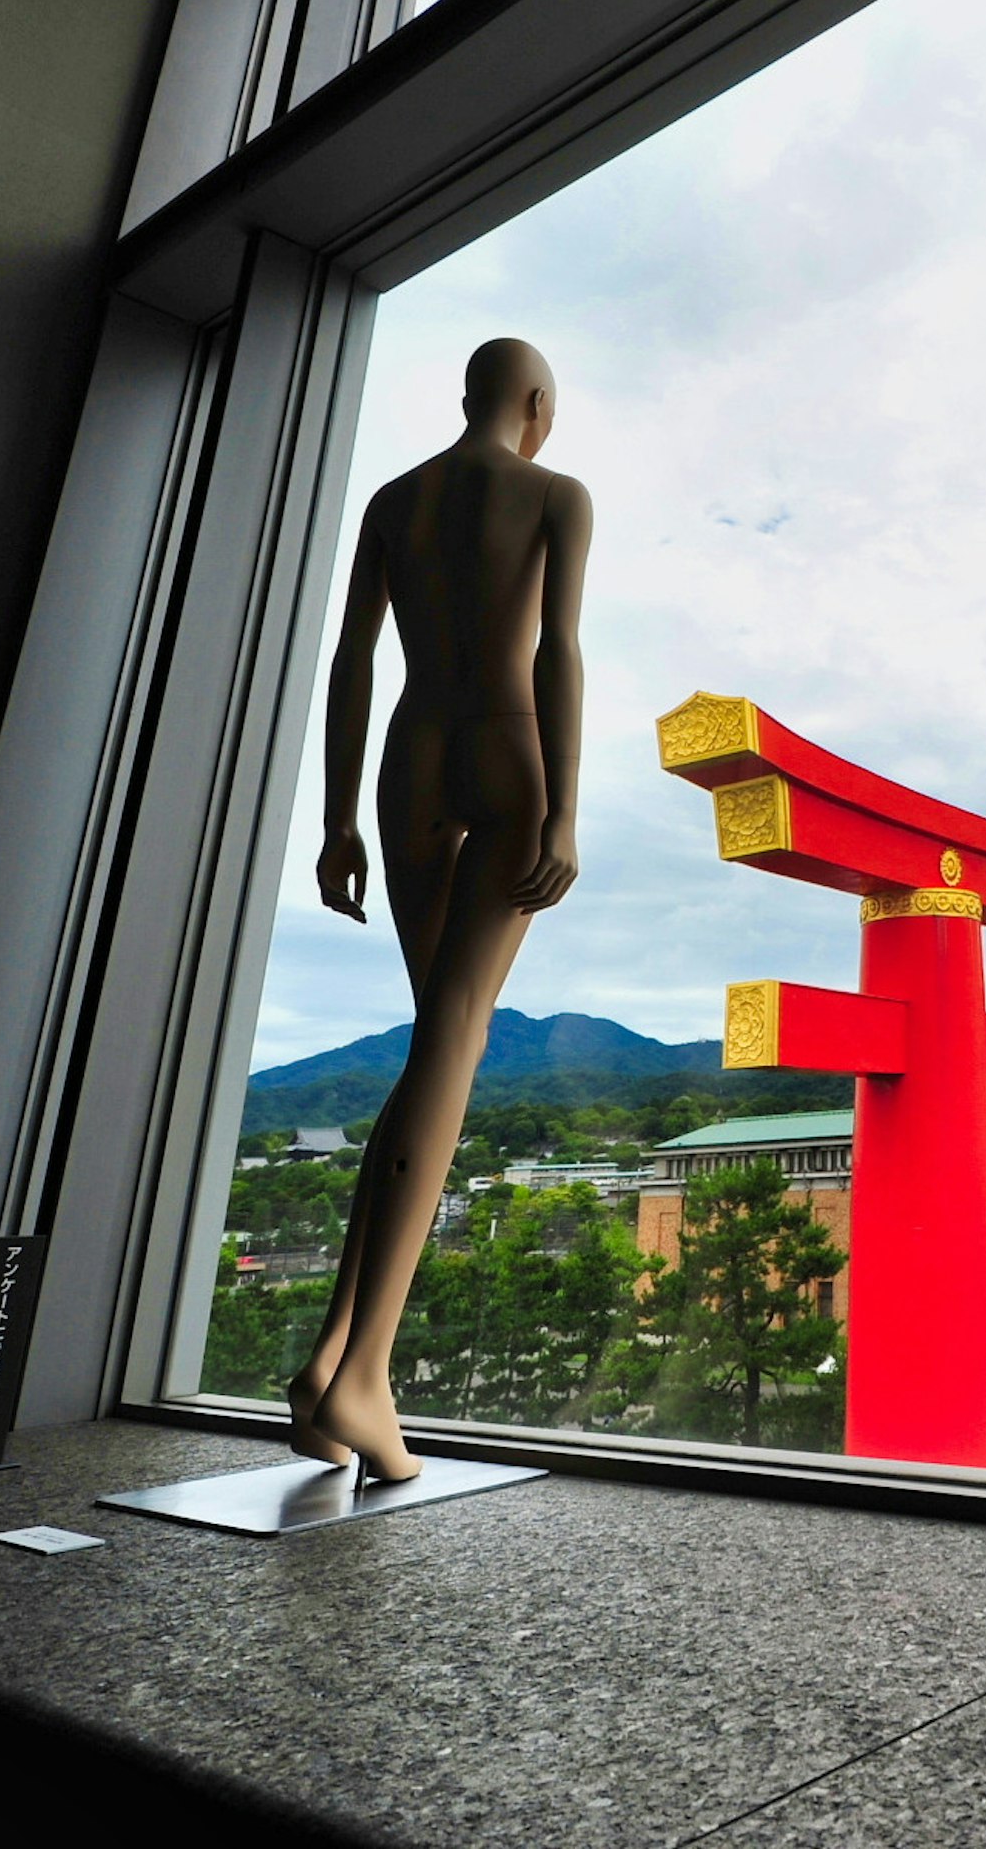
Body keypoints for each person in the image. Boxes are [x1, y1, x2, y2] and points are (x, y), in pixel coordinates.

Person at [288, 337, 592, 1483]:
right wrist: (562, 811)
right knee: (453, 1043)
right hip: (507, 750)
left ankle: (332, 1362)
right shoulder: (556, 493)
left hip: (410, 757)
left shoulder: (392, 500)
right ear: (531, 405)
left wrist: (335, 821)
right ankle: (364, 1372)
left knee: (434, 1045)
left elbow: (352, 661)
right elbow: (559, 647)